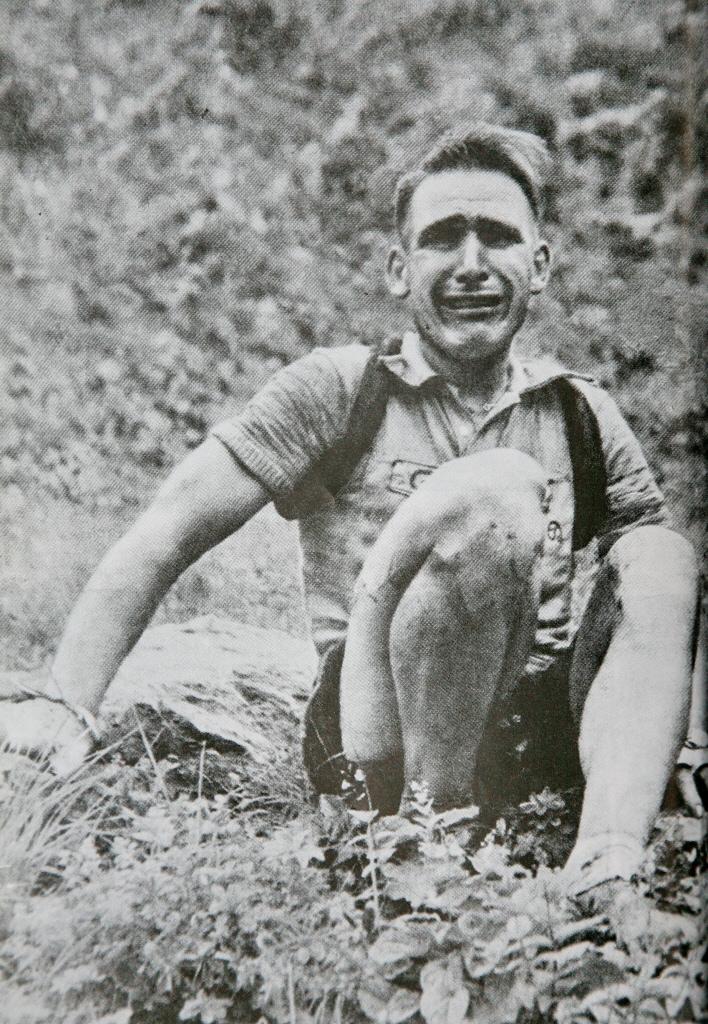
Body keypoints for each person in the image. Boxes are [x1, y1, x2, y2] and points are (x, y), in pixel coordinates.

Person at [3, 124, 704, 902]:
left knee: (664, 554)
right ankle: (426, 854)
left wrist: (686, 739)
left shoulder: (578, 411)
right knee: (497, 491)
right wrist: (65, 702)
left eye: (499, 238)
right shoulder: (342, 389)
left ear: (537, 266)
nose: (472, 265)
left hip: (533, 734)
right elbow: (167, 532)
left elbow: (660, 609)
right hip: (378, 734)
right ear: (399, 270)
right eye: (443, 239)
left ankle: (606, 865)